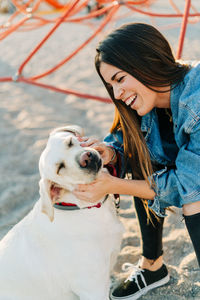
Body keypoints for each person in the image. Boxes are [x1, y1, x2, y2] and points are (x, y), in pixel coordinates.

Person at [73, 23, 200, 300]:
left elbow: (186, 186)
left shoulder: (197, 99)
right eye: (111, 85)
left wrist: (113, 184)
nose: (117, 94)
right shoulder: (149, 98)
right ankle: (152, 266)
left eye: (119, 79)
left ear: (145, 62)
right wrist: (109, 153)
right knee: (139, 156)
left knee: (195, 200)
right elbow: (122, 139)